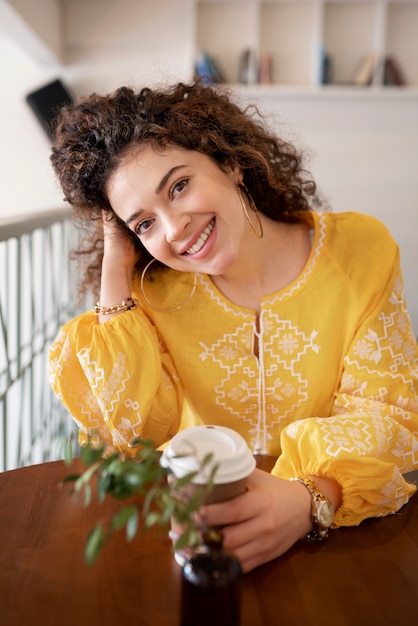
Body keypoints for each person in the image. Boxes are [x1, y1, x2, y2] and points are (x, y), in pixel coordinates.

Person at [49, 80, 418, 573]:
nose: (174, 228)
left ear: (229, 162)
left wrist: (308, 499)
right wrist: (117, 263)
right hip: (205, 534)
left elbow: (388, 415)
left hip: (337, 545)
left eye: (178, 186)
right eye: (144, 224)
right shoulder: (153, 296)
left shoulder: (360, 252)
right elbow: (129, 436)